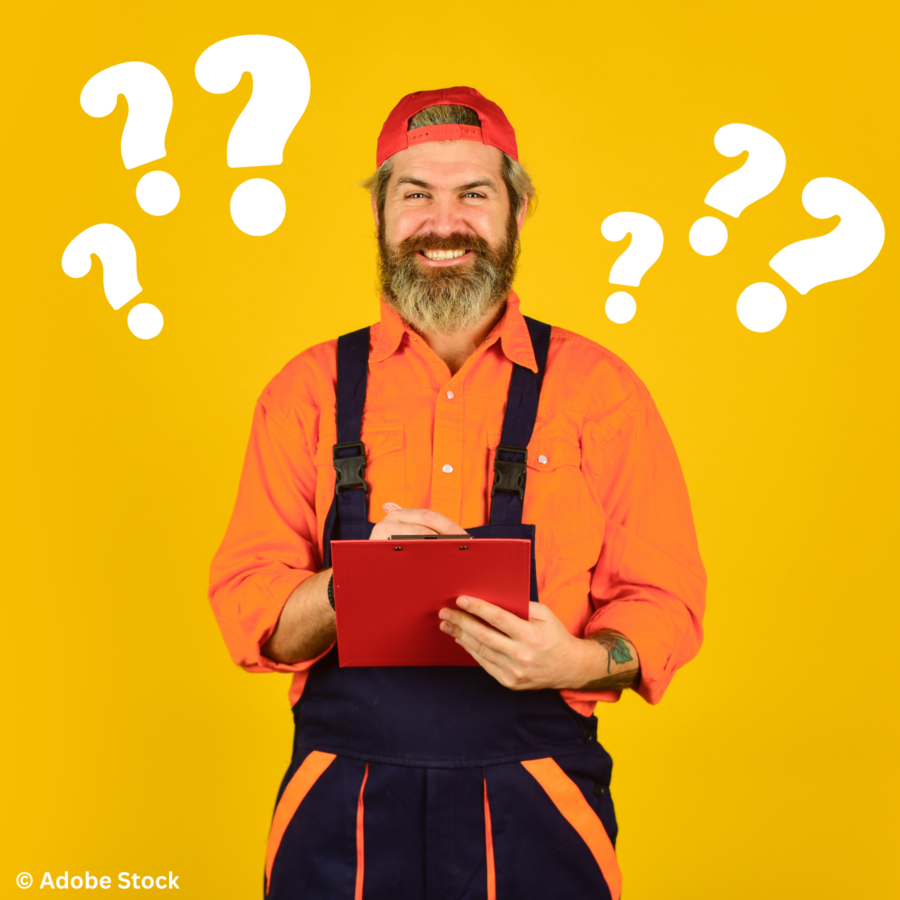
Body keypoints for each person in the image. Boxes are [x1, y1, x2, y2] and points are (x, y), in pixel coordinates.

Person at [209, 86, 706, 900]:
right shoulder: (307, 392)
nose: (445, 223)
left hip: (541, 791)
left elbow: (664, 602)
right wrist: (351, 585)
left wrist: (576, 659)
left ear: (515, 213)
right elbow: (249, 609)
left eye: (474, 193)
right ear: (381, 215)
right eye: (416, 194)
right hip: (341, 798)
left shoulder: (599, 392)